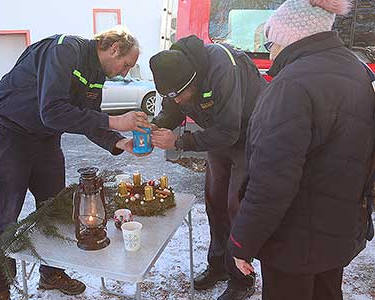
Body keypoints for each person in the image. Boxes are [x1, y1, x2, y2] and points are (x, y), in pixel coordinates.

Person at [0, 26, 150, 300]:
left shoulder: (97, 75)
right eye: (126, 64)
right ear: (114, 48)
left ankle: (51, 274)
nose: (125, 72)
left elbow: (86, 118)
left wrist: (120, 142)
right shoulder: (64, 50)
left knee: (55, 211)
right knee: (5, 217)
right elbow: (53, 110)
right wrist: (115, 120)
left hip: (45, 138)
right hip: (9, 134)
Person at [228, 1, 375, 299]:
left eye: (271, 41)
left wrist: (242, 242)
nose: (270, 51)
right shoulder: (358, 71)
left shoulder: (291, 85)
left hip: (293, 243)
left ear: (290, 37)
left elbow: (271, 181)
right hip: (337, 232)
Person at [149, 35, 267, 300]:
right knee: (215, 201)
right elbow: (172, 110)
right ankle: (218, 266)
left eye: (180, 95)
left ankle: (242, 279)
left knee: (237, 206)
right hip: (220, 134)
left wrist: (179, 141)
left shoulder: (222, 68)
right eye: (171, 96)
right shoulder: (175, 72)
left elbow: (229, 131)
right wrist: (156, 125)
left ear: (193, 80)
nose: (177, 101)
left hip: (250, 135)